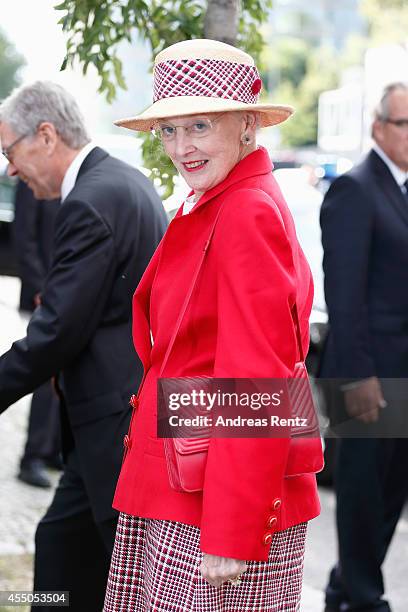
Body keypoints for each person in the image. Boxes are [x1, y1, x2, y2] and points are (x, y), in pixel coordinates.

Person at [103, 39, 322, 612]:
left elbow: (258, 376)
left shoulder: (245, 207)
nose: (181, 147)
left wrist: (231, 528)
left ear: (247, 123)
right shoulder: (215, 197)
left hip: (211, 503)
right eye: (169, 129)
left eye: (199, 125)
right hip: (183, 480)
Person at [0, 81, 168, 611]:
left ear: (45, 136)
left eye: (9, 151)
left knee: (104, 571)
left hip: (117, 425)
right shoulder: (119, 181)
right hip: (111, 422)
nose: (9, 169)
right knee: (60, 549)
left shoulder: (91, 200)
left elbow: (56, 332)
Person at [318, 82, 408, 612]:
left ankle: (342, 588)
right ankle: (365, 598)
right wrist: (357, 380)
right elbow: (344, 298)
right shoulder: (355, 188)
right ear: (379, 128)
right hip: (361, 373)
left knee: (390, 494)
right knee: (360, 494)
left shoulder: (399, 188)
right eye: (405, 123)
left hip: (400, 374)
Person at [13, 180, 61, 488]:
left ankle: (52, 448)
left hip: (64, 295)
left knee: (62, 375)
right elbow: (24, 237)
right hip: (43, 295)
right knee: (45, 375)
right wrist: (43, 290)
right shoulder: (30, 176)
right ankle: (32, 456)